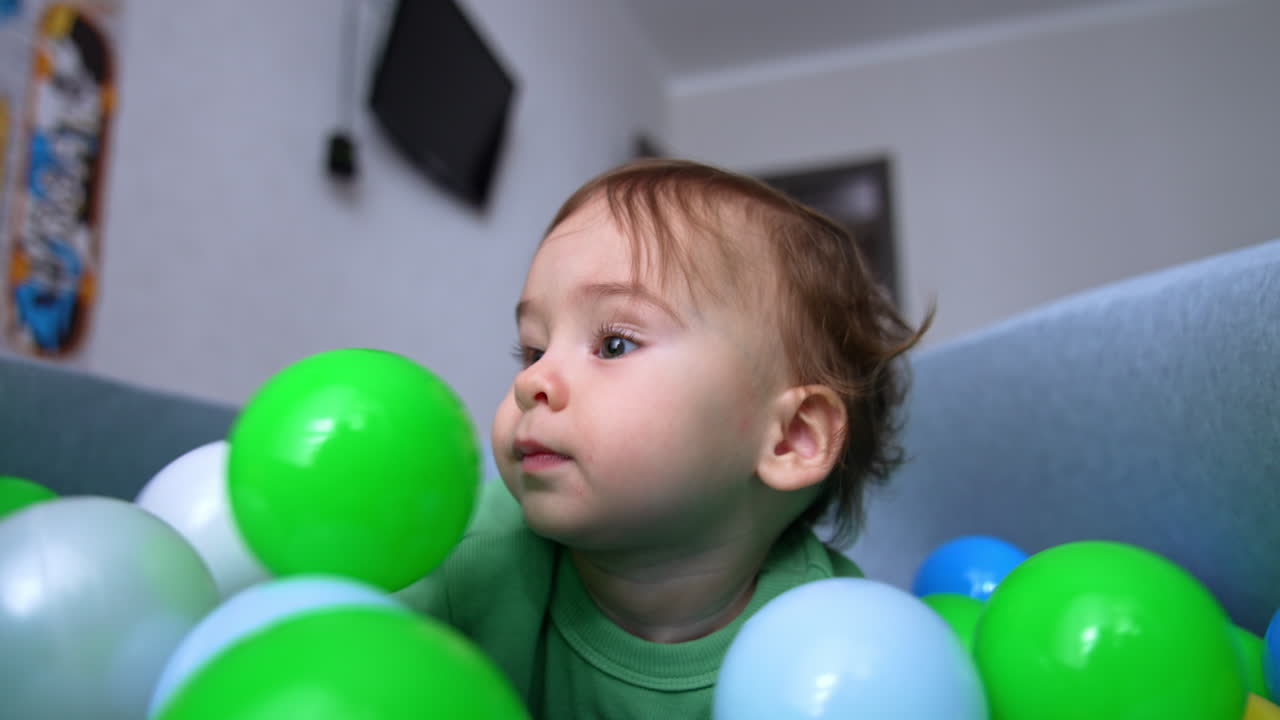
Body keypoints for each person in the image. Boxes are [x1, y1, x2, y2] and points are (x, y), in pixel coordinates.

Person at [410, 158, 931, 719]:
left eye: (614, 344)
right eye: (534, 349)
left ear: (790, 438)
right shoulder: (471, 553)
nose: (531, 381)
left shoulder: (839, 643)